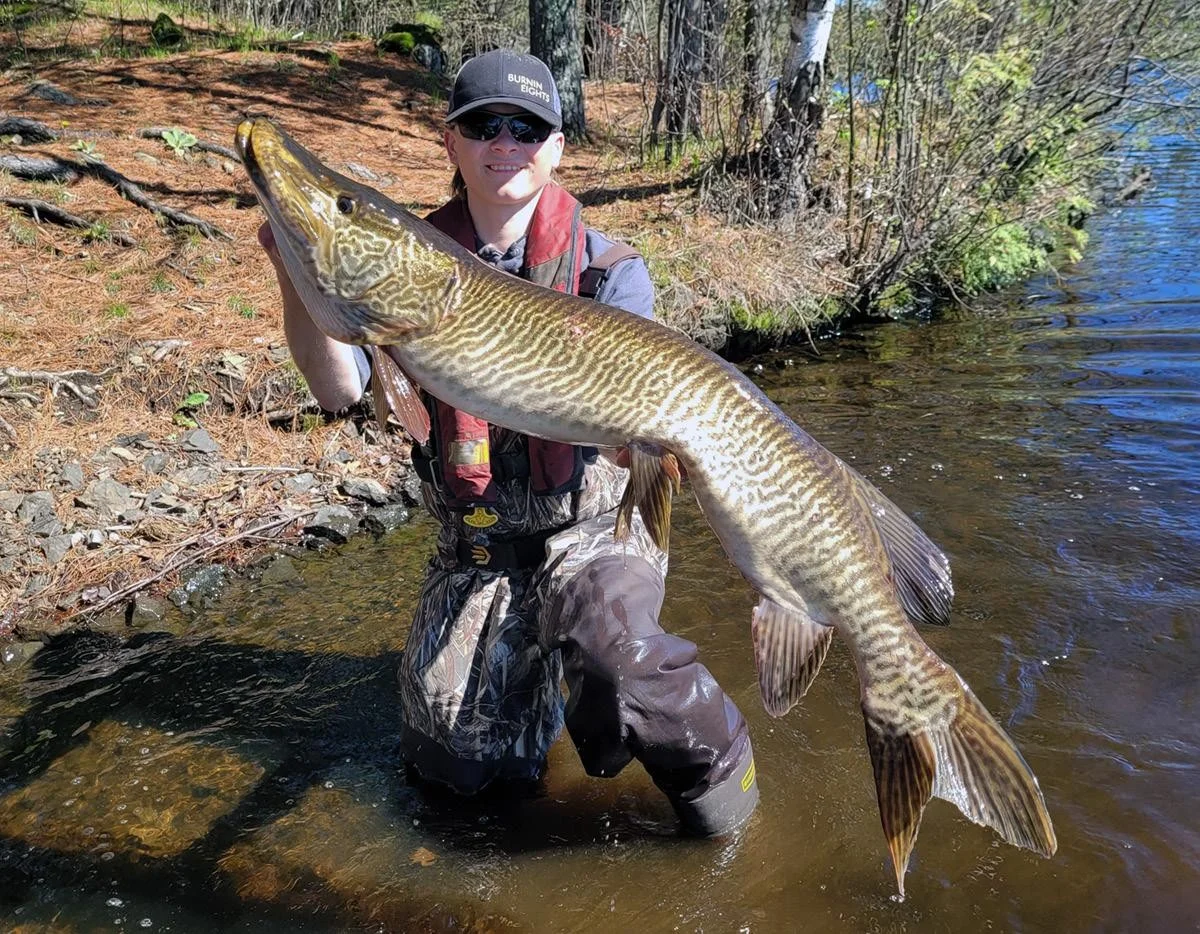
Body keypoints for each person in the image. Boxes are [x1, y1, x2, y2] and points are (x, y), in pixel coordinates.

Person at [258, 49, 758, 836]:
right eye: (483, 125)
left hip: (595, 535)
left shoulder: (611, 273)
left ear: (556, 146)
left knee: (622, 664)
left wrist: (651, 446)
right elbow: (340, 389)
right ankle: (525, 693)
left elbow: (655, 443)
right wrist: (295, 272)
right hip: (478, 552)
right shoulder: (407, 267)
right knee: (453, 783)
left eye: (527, 127)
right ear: (451, 144)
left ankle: (730, 805)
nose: (505, 140)